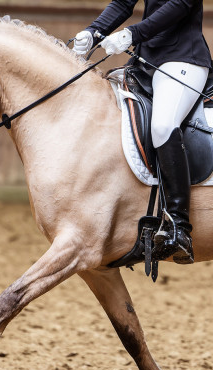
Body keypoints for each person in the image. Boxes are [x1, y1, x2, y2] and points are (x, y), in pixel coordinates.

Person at [73, 0, 212, 264]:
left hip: (182, 59)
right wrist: (93, 31)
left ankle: (179, 226)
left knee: (162, 125)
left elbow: (180, 4)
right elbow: (123, 3)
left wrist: (132, 34)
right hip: (145, 62)